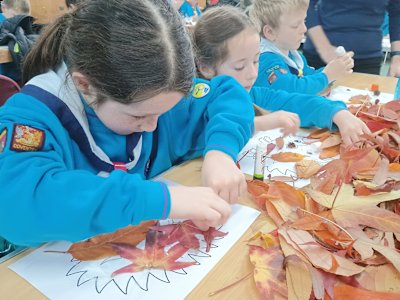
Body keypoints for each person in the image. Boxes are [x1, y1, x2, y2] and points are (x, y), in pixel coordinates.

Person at [0, 0, 255, 247]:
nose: (153, 126)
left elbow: (228, 95)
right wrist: (158, 200)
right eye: (138, 116)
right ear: (85, 86)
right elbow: (16, 207)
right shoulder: (29, 119)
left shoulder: (158, 95)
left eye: (163, 112)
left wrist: (220, 153)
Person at [192, 6, 370, 142]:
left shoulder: (250, 92)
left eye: (255, 61)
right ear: (206, 67)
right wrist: (261, 123)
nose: (252, 74)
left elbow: (294, 101)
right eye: (239, 67)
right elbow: (216, 127)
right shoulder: (194, 103)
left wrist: (337, 113)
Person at [250, 0, 354, 95]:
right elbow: (294, 90)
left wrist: (335, 68)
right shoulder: (265, 62)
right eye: (295, 25)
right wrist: (328, 75)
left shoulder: (293, 55)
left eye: (304, 21)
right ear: (270, 32)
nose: (304, 29)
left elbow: (309, 77)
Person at [303, 0, 400, 77]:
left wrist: (397, 57)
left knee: (365, 100)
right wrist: (324, 48)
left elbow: (397, 12)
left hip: (367, 60)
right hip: (322, 56)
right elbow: (306, 4)